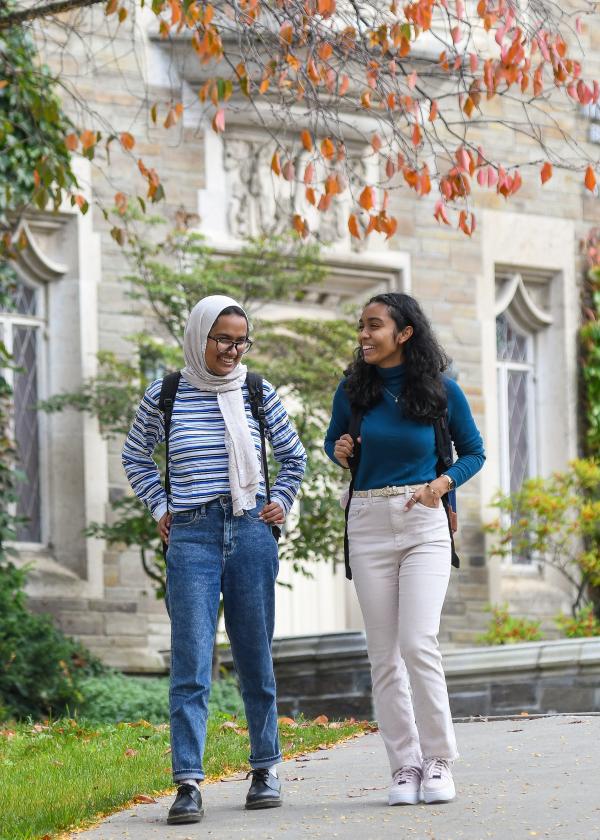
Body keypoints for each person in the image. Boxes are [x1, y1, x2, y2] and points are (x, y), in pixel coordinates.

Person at [122, 294, 306, 824]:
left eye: (240, 340)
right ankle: (187, 782)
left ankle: (266, 767)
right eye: (222, 339)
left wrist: (282, 500)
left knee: (255, 656)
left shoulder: (255, 390)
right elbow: (135, 454)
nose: (232, 349)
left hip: (250, 531)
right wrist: (161, 504)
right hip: (192, 537)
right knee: (191, 661)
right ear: (200, 335)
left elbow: (292, 455)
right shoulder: (168, 392)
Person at [324, 292, 485, 807]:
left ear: (405, 332)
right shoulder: (352, 393)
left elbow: (474, 452)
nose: (364, 335)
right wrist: (340, 449)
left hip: (423, 520)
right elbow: (334, 444)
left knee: (418, 642)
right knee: (384, 656)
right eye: (362, 326)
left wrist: (442, 484)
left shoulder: (443, 391)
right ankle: (404, 766)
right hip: (368, 523)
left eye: (375, 326)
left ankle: (439, 759)